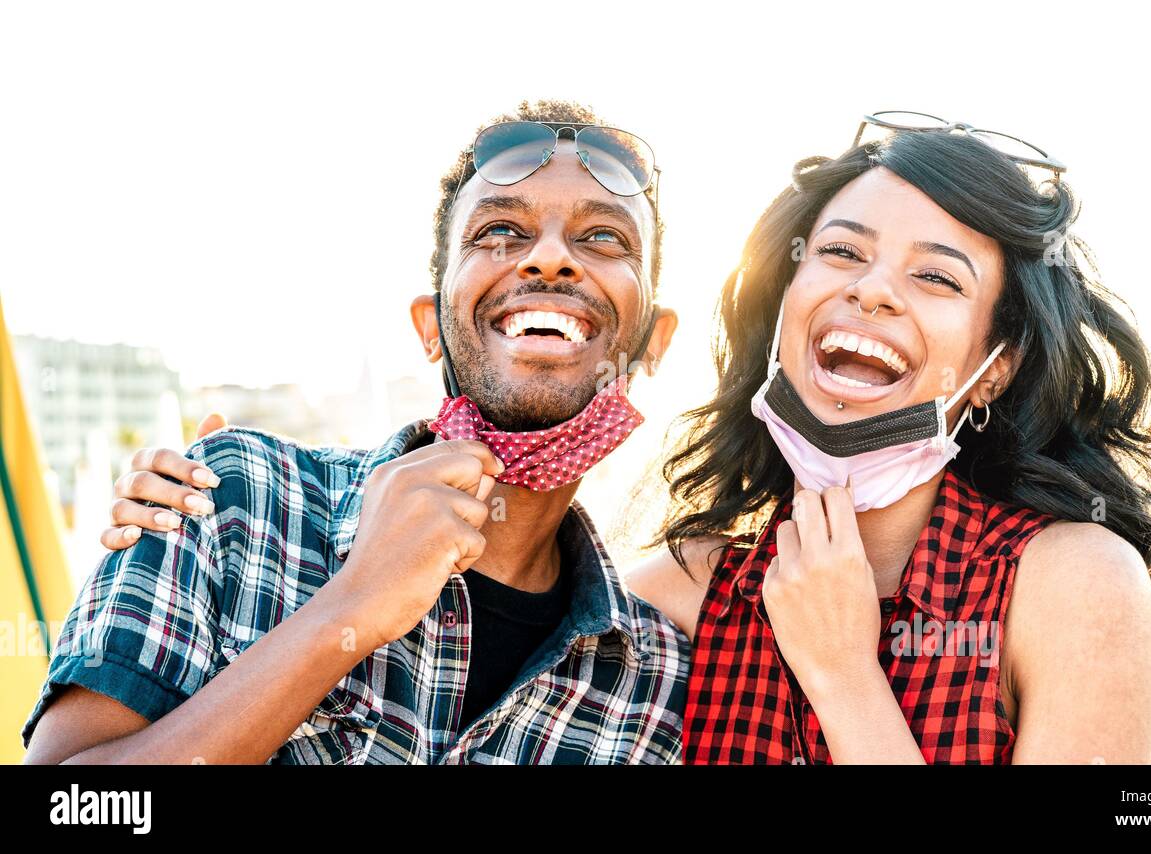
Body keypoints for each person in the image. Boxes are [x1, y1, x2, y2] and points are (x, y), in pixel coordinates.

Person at [22, 100, 688, 765]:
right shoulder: (226, 502)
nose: (548, 257)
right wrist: (350, 607)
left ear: (653, 342)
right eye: (500, 230)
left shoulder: (661, 687)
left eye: (603, 237)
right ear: (431, 327)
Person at [628, 115, 1151, 763]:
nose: (873, 290)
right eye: (842, 252)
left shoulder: (1073, 583)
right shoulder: (672, 600)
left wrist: (844, 677)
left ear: (995, 368)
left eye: (937, 277)